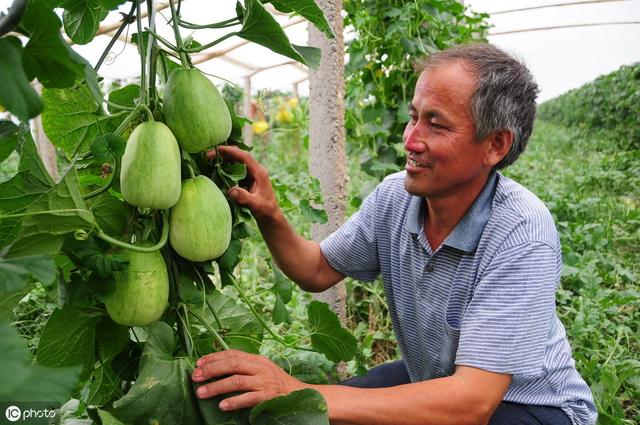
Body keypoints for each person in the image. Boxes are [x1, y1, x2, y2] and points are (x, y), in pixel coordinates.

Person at [191, 43, 597, 425]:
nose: (410, 139)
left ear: (495, 144)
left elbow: (473, 402)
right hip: (439, 378)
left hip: (531, 407)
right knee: (325, 411)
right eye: (414, 116)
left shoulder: (522, 234)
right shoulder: (395, 197)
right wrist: (270, 214)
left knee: (324, 402)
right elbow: (316, 269)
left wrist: (294, 388)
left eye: (436, 124)